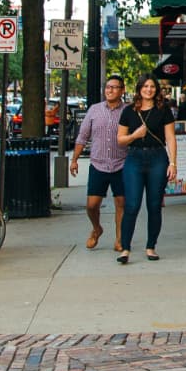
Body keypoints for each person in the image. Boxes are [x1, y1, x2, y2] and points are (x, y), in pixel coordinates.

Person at [117, 79, 179, 263]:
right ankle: (125, 248)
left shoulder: (163, 110)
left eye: (152, 87)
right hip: (134, 158)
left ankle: (151, 247)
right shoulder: (129, 111)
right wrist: (135, 135)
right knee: (132, 204)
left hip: (158, 158)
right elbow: (120, 139)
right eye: (145, 86)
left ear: (156, 90)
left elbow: (170, 137)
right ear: (139, 89)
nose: (149, 89)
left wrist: (173, 163)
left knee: (154, 205)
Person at [67, 74, 130, 252]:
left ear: (122, 90)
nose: (110, 90)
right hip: (98, 164)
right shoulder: (94, 110)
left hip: (122, 164)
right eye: (108, 87)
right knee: (92, 205)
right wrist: (74, 160)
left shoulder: (128, 111)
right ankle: (97, 228)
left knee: (121, 203)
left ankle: (119, 240)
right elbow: (83, 136)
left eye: (114, 87)